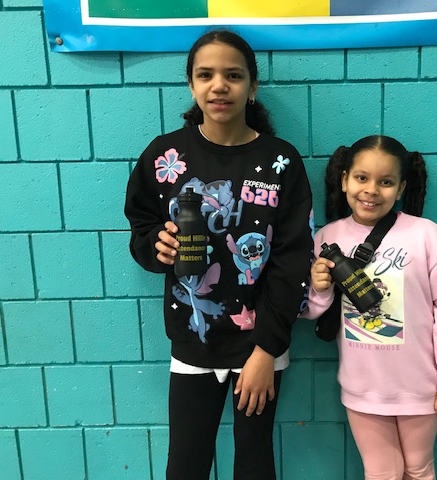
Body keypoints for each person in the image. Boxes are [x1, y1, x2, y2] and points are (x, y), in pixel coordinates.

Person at [124, 29, 313, 480]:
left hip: (261, 345)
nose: (219, 86)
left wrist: (267, 350)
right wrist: (156, 246)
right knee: (185, 465)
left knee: (254, 463)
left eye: (233, 75)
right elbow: (140, 229)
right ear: (191, 85)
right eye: (206, 75)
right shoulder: (165, 155)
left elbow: (293, 262)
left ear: (253, 85)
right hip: (194, 340)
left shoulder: (281, 161)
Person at [305, 135, 437, 480]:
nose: (371, 190)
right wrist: (320, 289)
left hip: (420, 387)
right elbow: (310, 310)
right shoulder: (326, 238)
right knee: (381, 472)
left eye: (385, 182)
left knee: (419, 469)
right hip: (362, 387)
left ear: (401, 189)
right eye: (361, 178)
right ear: (344, 180)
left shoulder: (427, 236)